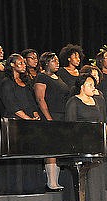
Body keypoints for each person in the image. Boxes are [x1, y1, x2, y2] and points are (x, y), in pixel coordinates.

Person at [0, 53, 43, 194]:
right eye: (21, 62)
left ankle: (31, 187)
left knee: (29, 156)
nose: (24, 65)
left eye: (24, 62)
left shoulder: (25, 83)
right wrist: (27, 119)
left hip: (28, 124)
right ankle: (15, 189)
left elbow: (32, 103)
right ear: (12, 64)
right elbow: (12, 105)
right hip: (14, 124)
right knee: (16, 156)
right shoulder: (6, 83)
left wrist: (35, 116)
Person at [65, 74, 107, 201]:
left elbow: (102, 120)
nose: (93, 87)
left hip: (96, 143)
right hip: (81, 144)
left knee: (96, 173)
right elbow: (70, 125)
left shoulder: (97, 101)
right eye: (90, 84)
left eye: (93, 84)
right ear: (82, 87)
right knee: (83, 175)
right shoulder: (74, 101)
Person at [34, 52, 70, 191]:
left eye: (56, 60)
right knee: (51, 150)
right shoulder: (42, 77)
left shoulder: (58, 77)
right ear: (46, 63)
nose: (57, 62)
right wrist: (48, 117)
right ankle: (51, 182)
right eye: (53, 61)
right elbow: (40, 99)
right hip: (50, 115)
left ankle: (57, 181)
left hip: (61, 116)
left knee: (59, 149)